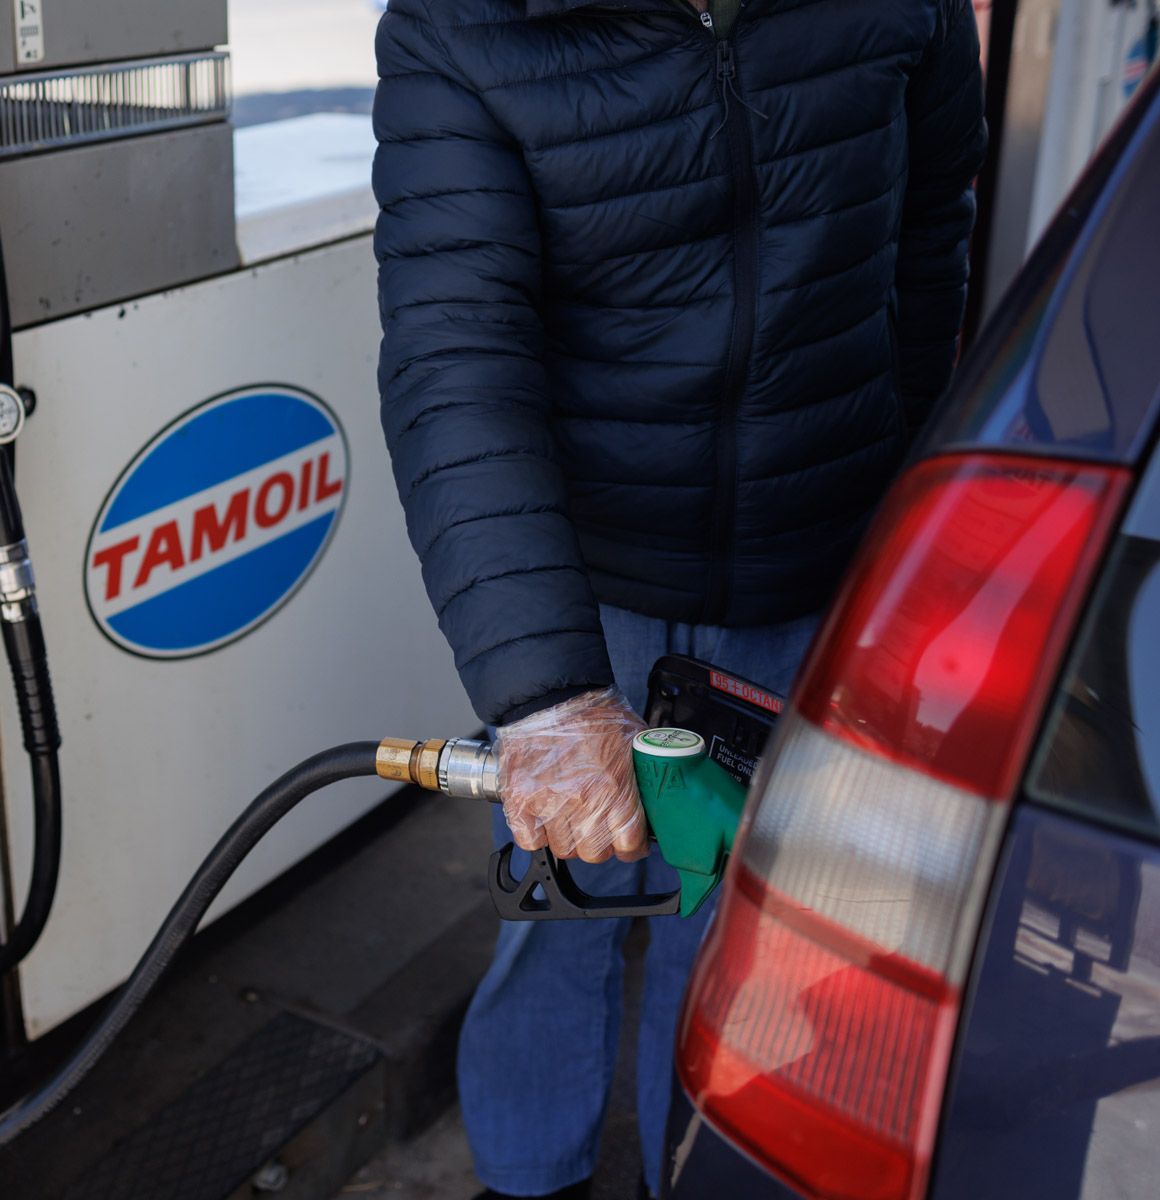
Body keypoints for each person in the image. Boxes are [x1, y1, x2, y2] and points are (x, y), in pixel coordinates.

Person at [371, 1, 986, 1197]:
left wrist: (901, 524)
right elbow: (457, 357)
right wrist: (546, 694)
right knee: (558, 921)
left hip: (812, 572)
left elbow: (928, 236)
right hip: (588, 596)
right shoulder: (462, 24)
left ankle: (695, 1172)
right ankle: (529, 1178)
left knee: (750, 950)